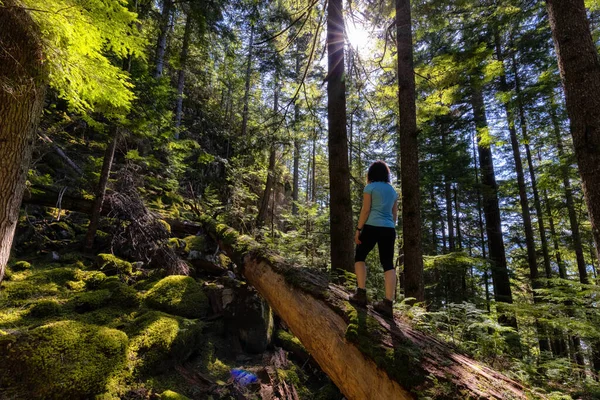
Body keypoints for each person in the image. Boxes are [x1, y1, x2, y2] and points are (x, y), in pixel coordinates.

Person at [349, 160, 398, 317]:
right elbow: (395, 215)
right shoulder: (392, 191)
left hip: (371, 226)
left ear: (371, 173)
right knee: (388, 264)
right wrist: (389, 225)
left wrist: (358, 229)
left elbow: (366, 210)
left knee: (360, 256)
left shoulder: (370, 187)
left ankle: (361, 293)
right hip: (389, 229)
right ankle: (388, 303)